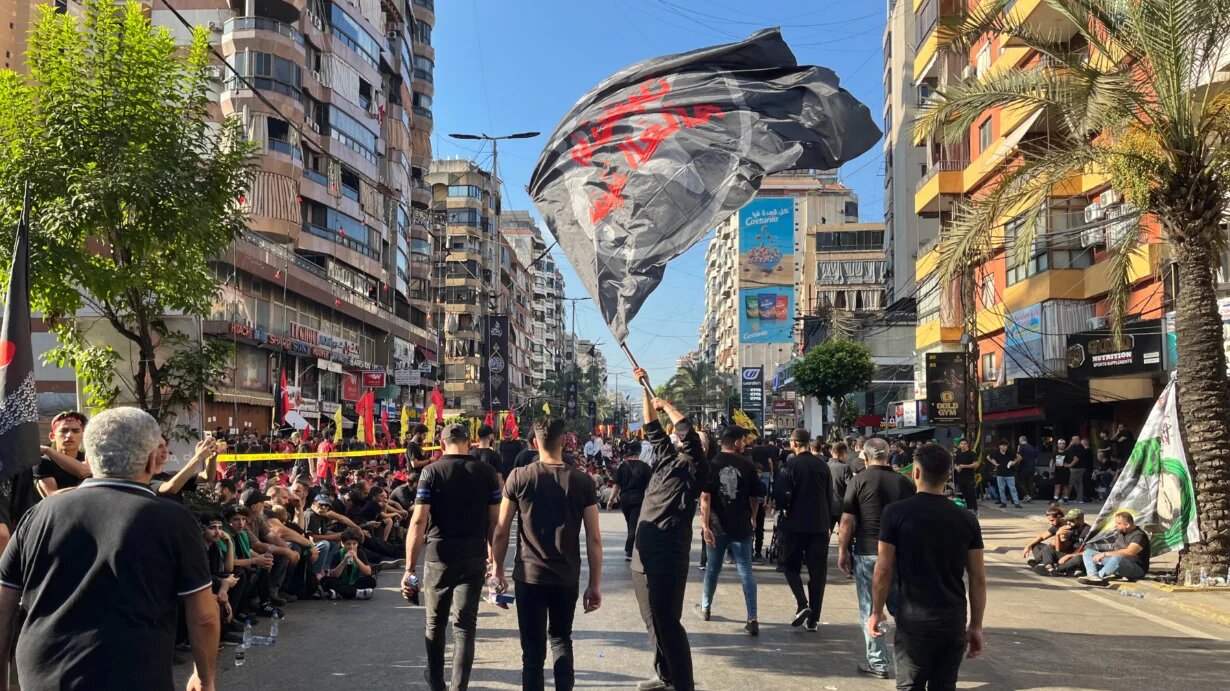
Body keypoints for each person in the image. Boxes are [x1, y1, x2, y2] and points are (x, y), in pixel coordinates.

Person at [0, 407, 218, 691]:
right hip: (132, 673)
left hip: (43, 674)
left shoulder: (39, 515)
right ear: (153, 460)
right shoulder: (172, 519)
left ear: (89, 458)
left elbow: (4, 606)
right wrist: (204, 677)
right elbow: (203, 616)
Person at [492, 417, 603, 691]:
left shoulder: (519, 477)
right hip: (566, 577)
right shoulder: (582, 481)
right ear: (563, 441)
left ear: (534, 443)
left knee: (532, 654)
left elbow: (501, 531)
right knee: (561, 639)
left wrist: (497, 572)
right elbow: (594, 538)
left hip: (529, 577)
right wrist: (594, 584)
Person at [869, 442, 986, 689]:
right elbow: (978, 578)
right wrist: (975, 625)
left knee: (909, 686)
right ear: (948, 475)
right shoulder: (966, 519)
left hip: (913, 620)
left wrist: (876, 610)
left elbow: (884, 568)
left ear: (916, 473)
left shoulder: (895, 513)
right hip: (952, 619)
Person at [401, 422, 501, 691]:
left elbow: (419, 521)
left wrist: (409, 568)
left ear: (442, 444)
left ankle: (436, 682)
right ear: (469, 442)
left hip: (438, 556)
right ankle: (459, 688)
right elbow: (495, 524)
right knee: (465, 628)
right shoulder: (488, 472)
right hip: (474, 556)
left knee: (435, 624)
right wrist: (496, 564)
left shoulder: (431, 472)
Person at [628, 367, 708, 691]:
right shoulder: (665, 458)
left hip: (668, 557)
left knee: (668, 624)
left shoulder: (698, 470)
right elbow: (651, 428)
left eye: (687, 439)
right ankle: (665, 676)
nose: (679, 437)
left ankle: (683, 684)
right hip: (642, 556)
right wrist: (645, 390)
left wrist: (668, 406)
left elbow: (687, 433)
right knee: (652, 623)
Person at [837, 436, 915, 680]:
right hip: (900, 553)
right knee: (901, 610)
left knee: (870, 609)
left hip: (868, 552)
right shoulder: (904, 483)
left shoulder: (859, 480)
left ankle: (878, 662)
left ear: (866, 456)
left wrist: (842, 550)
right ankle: (909, 662)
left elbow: (847, 521)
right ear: (889, 455)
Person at [696, 426, 762, 636]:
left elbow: (705, 498)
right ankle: (752, 618)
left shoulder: (711, 465)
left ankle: (706, 607)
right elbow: (755, 497)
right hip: (741, 525)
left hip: (716, 527)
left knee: (713, 569)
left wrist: (705, 526)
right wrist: (752, 517)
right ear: (735, 442)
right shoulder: (748, 465)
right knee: (745, 571)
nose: (745, 444)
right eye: (743, 440)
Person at [774, 428, 836, 632]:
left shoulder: (790, 466)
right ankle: (814, 619)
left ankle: (802, 603)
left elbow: (781, 496)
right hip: (819, 525)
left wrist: (784, 507)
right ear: (808, 443)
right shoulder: (823, 466)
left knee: (789, 566)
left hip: (794, 524)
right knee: (818, 573)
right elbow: (829, 496)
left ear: (793, 443)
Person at [1078, 511, 1150, 586]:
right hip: (1118, 564)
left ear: (1127, 525)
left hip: (1137, 569)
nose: (1115, 525)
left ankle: (1098, 577)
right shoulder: (1121, 532)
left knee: (1117, 558)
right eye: (1116, 523)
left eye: (1118, 523)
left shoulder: (1139, 535)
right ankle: (1092, 575)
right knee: (1088, 553)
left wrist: (1104, 554)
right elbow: (1112, 548)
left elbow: (1130, 552)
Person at [608, 440, 651, 561]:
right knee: (634, 525)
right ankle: (629, 550)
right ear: (640, 451)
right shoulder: (645, 467)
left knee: (630, 523)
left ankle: (632, 548)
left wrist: (611, 500)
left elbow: (616, 485)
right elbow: (650, 486)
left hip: (625, 500)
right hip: (638, 500)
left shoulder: (622, 466)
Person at [34, 410, 92, 496]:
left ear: (83, 436)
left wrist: (47, 450)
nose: (69, 435)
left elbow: (84, 472)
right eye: (64, 430)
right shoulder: (43, 462)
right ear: (52, 436)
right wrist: (93, 488)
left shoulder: (88, 458)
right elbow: (52, 496)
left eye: (75, 431)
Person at [321, 528, 378, 600]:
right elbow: (333, 574)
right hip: (341, 581)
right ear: (343, 544)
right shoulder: (337, 554)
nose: (351, 546)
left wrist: (356, 559)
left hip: (355, 582)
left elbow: (368, 572)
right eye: (348, 544)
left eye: (354, 544)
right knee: (325, 581)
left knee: (371, 580)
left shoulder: (360, 553)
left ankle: (342, 593)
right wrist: (344, 561)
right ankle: (357, 593)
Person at [987, 439, 1022, 509]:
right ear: (1000, 446)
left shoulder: (1010, 452)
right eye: (1003, 446)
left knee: (1012, 488)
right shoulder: (996, 452)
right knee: (1001, 488)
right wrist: (994, 463)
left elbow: (1019, 457)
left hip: (1009, 473)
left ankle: (1016, 503)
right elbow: (988, 457)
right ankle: (1003, 502)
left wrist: (1014, 462)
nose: (1005, 447)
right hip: (1000, 473)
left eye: (1006, 446)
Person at [827, 441, 853, 524]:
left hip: (826, 506)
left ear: (832, 452)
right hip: (841, 507)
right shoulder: (845, 467)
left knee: (826, 535)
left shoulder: (824, 465)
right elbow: (851, 487)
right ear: (843, 453)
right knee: (845, 535)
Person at [952, 439, 979, 515]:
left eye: (964, 443)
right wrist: (957, 467)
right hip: (960, 477)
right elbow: (956, 464)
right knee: (965, 494)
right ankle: (969, 508)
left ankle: (975, 509)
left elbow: (976, 464)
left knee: (971, 493)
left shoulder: (972, 453)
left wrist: (964, 466)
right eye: (961, 444)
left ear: (967, 445)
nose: (962, 445)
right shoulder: (958, 454)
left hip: (969, 477)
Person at [1068, 436, 1092, 503]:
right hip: (1082, 468)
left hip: (1076, 468)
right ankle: (1079, 498)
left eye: (1073, 439)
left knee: (1070, 482)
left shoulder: (1075, 447)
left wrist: (1069, 465)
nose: (1071, 440)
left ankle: (1065, 497)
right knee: (1079, 483)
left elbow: (1069, 454)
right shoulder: (1082, 448)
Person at [1016, 436, 1037, 503]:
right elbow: (1036, 458)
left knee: (1020, 482)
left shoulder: (1021, 446)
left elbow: (1019, 457)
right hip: (1032, 467)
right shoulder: (1032, 447)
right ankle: (1031, 497)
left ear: (1020, 440)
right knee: (1030, 483)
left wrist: (1017, 464)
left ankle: (1027, 495)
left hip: (1023, 467)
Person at [1050, 438, 1071, 504]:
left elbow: (1075, 459)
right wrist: (1051, 469)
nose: (1061, 445)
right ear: (1058, 445)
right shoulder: (1055, 452)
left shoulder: (1067, 453)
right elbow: (1052, 461)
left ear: (1064, 445)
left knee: (1066, 485)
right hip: (1057, 471)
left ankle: (1065, 499)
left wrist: (1069, 465)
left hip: (1065, 471)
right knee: (1057, 485)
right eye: (1060, 444)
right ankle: (1055, 498)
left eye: (1063, 444)